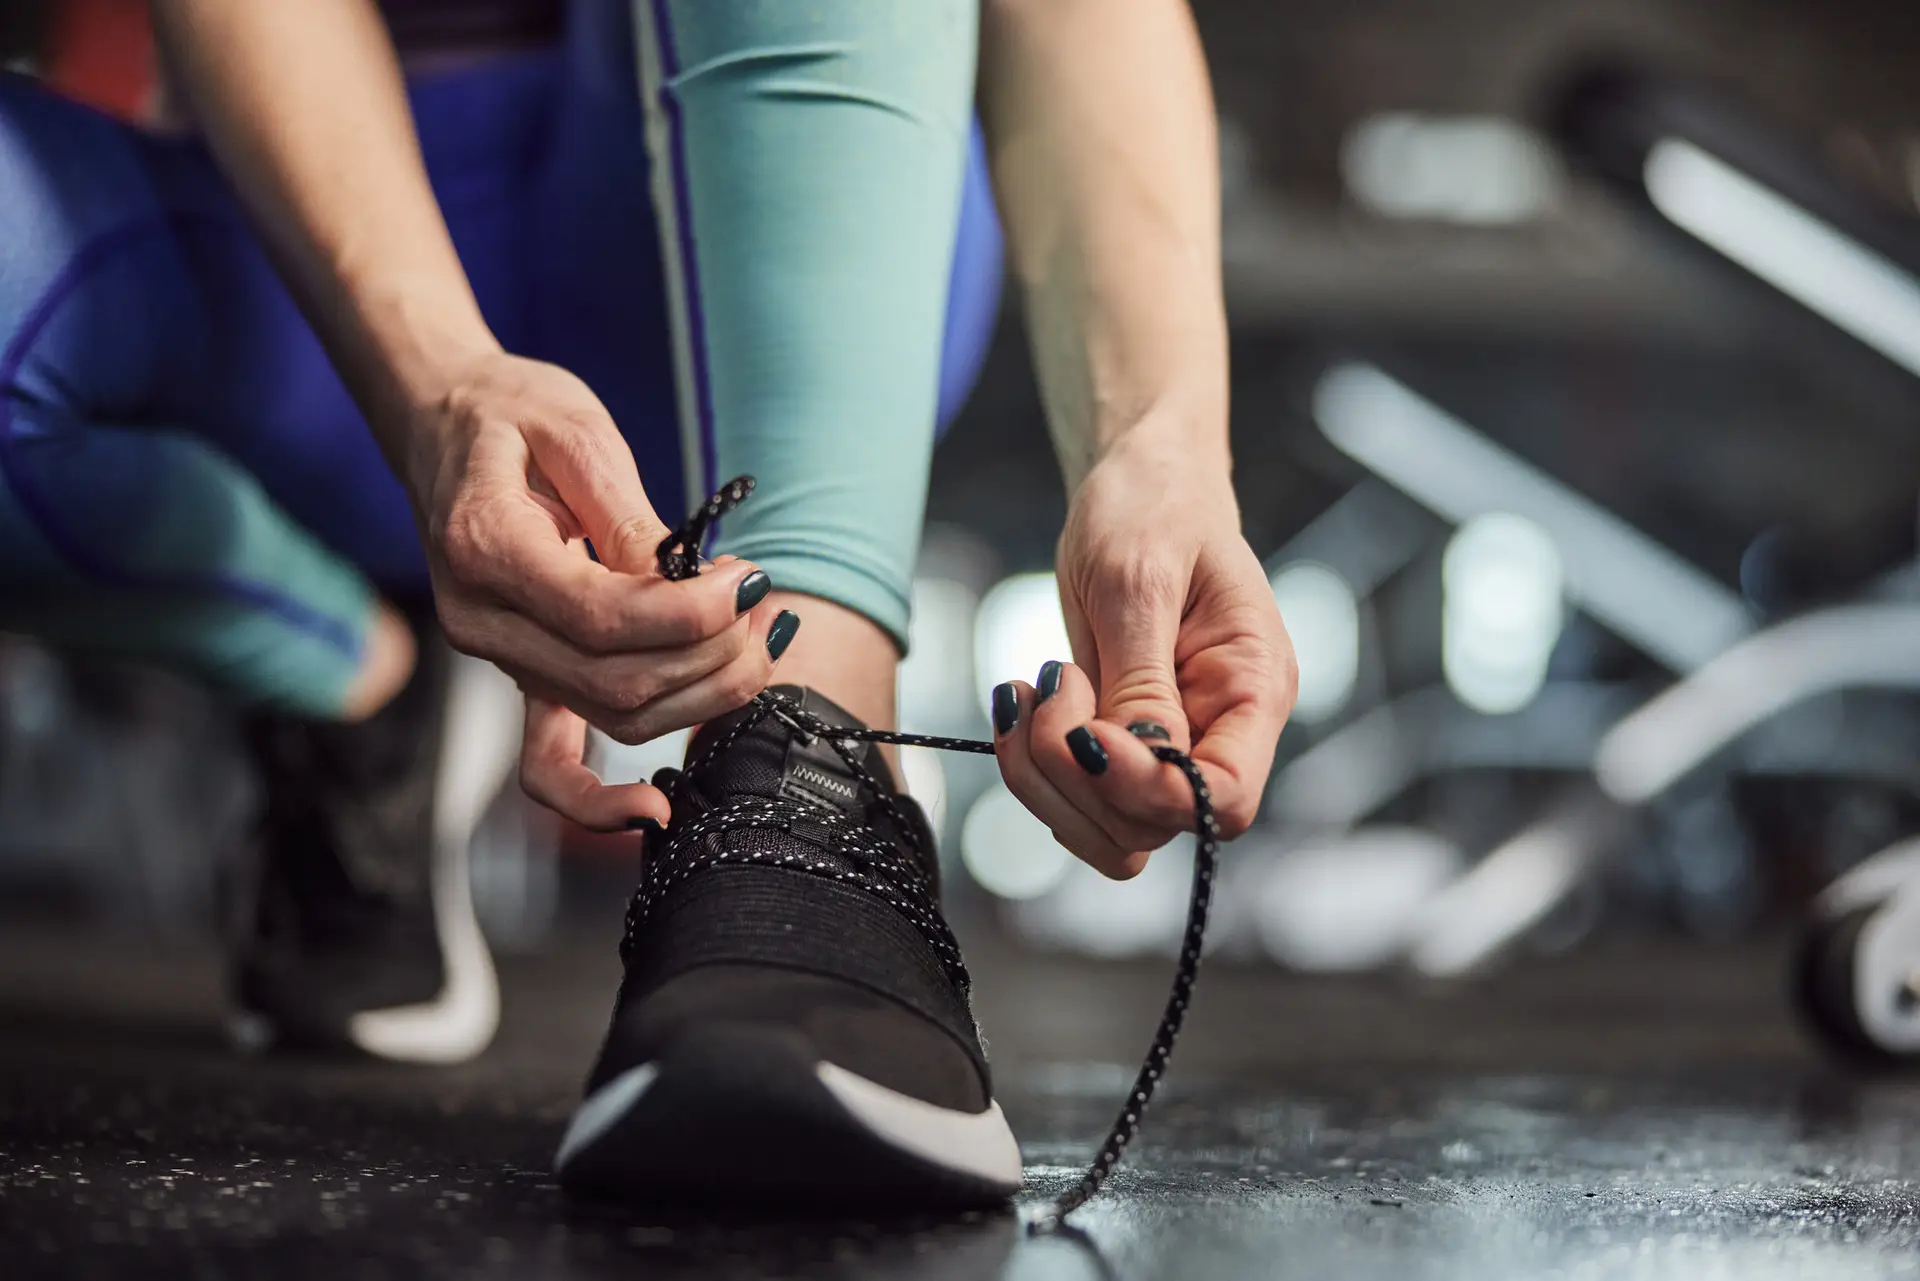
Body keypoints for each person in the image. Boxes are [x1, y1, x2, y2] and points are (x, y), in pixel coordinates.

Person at [0, 0, 1296, 1206]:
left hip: (772, 239)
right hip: (303, 289)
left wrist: (1161, 452)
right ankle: (364, 689)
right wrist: (436, 385)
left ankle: (812, 763)